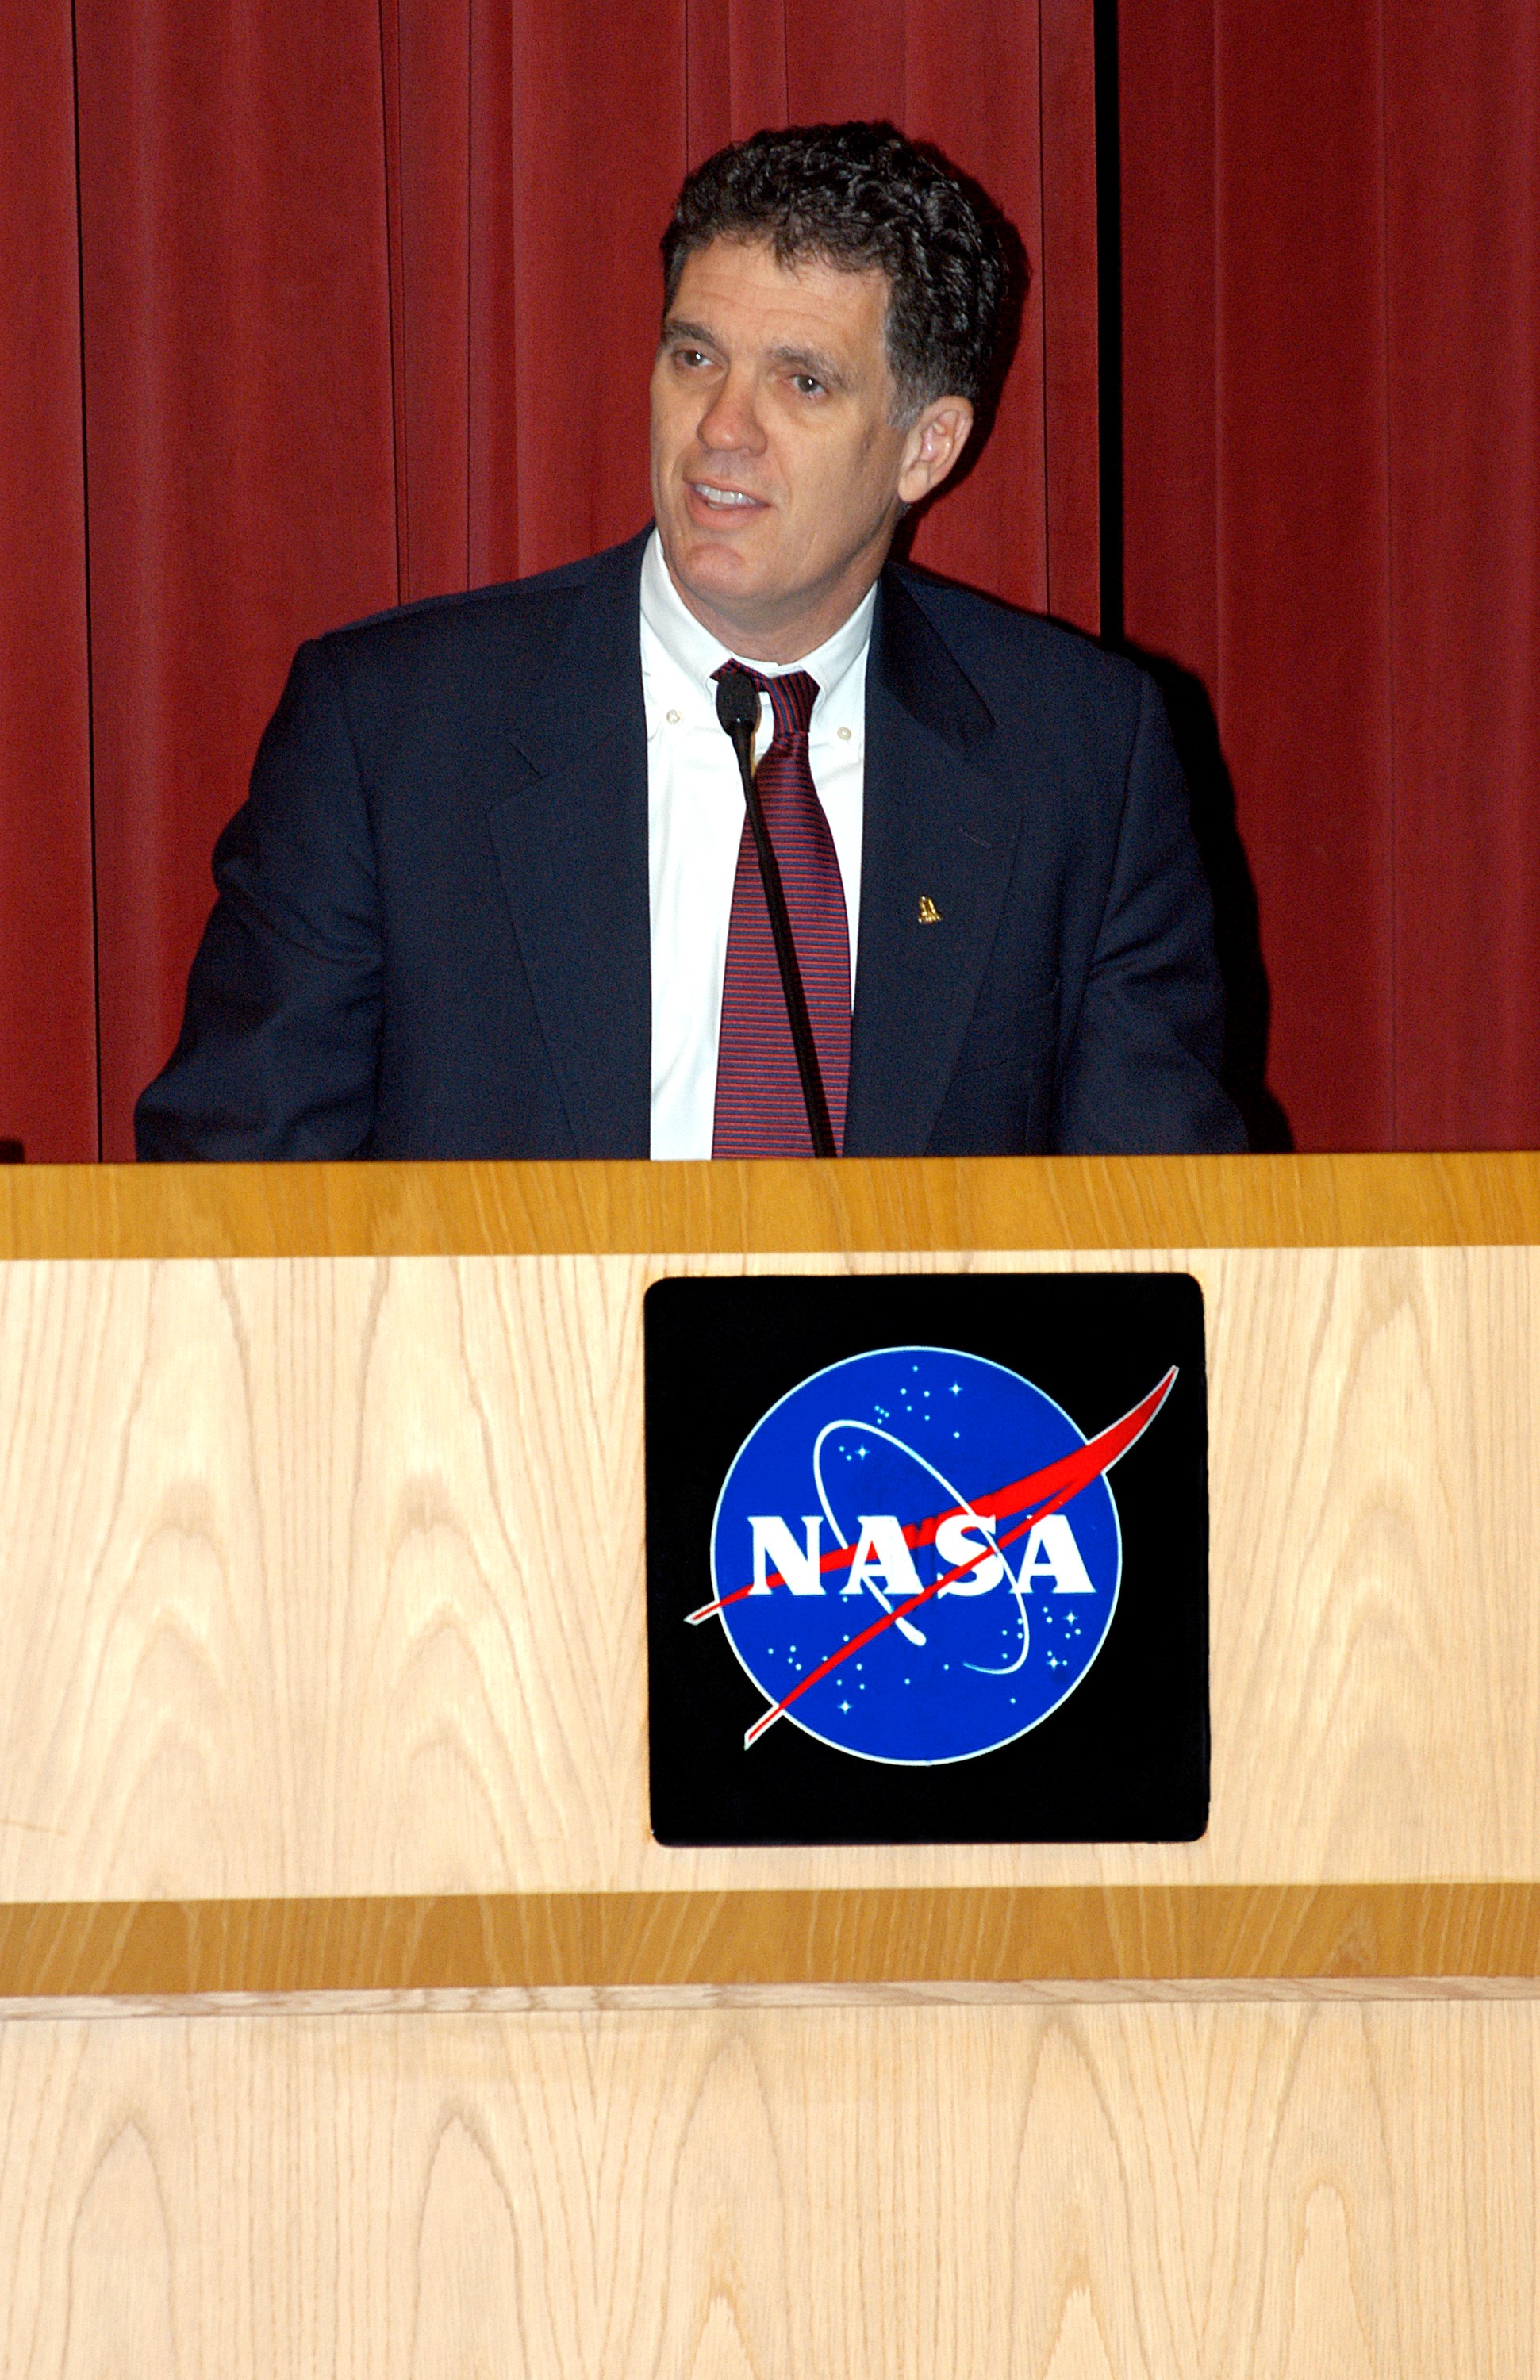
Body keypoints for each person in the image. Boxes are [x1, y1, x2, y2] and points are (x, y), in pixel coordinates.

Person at [136, 121, 1245, 1162]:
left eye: (801, 383)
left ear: (928, 447)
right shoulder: (392, 735)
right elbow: (233, 1198)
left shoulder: (1083, 756)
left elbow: (1161, 1225)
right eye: (696, 358)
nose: (722, 428)